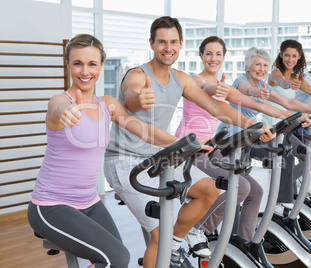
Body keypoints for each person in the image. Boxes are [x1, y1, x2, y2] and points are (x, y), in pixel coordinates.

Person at [103, 17, 274, 268]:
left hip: (158, 156)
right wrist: (140, 99)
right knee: (158, 236)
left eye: (173, 41)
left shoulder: (181, 78)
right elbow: (131, 98)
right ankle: (167, 247)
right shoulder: (138, 75)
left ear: (181, 43)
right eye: (161, 41)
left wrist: (253, 127)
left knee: (209, 189)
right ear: (152, 43)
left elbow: (216, 107)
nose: (168, 47)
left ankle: (172, 249)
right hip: (125, 160)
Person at [27, 34, 189, 268]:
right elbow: (56, 109)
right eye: (78, 63)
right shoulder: (59, 102)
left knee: (117, 259)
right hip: (50, 206)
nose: (85, 71)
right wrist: (65, 111)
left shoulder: (108, 104)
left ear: (101, 65)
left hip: (90, 202)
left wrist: (183, 142)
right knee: (117, 258)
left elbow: (144, 130)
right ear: (68, 64)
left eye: (92, 64)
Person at [174, 37, 311, 257]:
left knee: (254, 191)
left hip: (212, 147)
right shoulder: (195, 80)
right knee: (239, 185)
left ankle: (244, 242)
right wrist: (216, 88)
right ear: (201, 56)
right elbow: (206, 88)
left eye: (218, 54)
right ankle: (197, 229)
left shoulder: (227, 86)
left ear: (224, 57)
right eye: (209, 54)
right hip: (191, 149)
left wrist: (298, 117)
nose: (214, 58)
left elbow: (258, 104)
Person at [263, 40, 311, 176]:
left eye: (294, 56)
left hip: (289, 125)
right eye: (287, 55)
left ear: (299, 57)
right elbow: (281, 82)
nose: (290, 59)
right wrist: (289, 84)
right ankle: (298, 181)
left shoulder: (297, 78)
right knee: (303, 160)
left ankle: (298, 182)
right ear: (281, 54)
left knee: (306, 159)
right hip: (274, 126)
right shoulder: (275, 73)